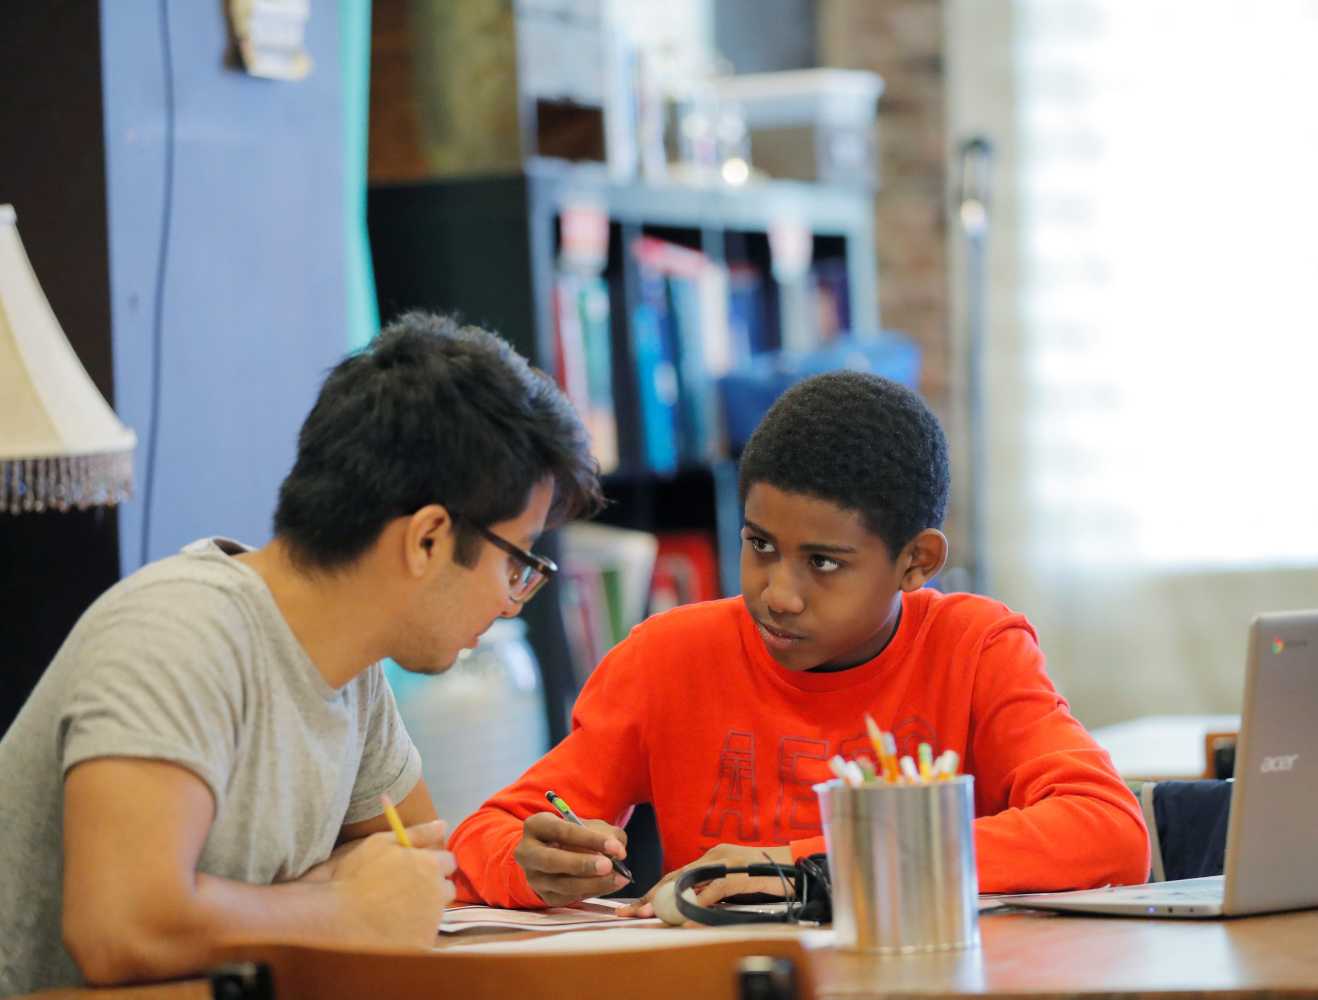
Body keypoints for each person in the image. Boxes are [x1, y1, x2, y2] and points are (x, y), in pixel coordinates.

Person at [0, 312, 603, 994]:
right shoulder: (180, 634)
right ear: (429, 539)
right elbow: (121, 927)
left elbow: (417, 879)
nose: (513, 601)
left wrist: (409, 888)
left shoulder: (355, 671)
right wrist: (337, 905)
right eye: (518, 564)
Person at [448, 370, 1148, 914]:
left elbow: (1108, 829)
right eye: (759, 545)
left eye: (823, 562)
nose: (778, 593)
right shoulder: (667, 658)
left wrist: (806, 867)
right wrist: (532, 863)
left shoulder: (974, 648)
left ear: (917, 561)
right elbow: (489, 834)